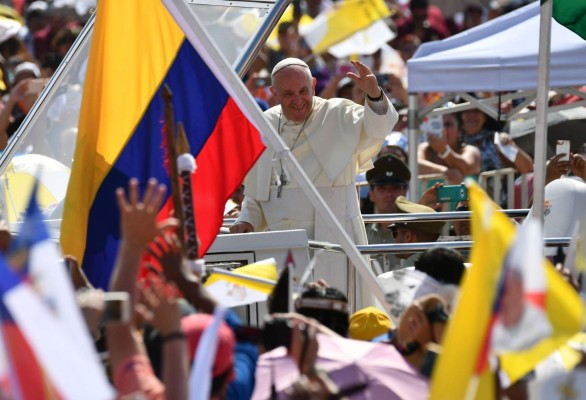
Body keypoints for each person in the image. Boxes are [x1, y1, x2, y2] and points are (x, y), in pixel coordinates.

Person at [230, 57, 398, 302]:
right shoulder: (263, 124)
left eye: (303, 91)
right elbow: (258, 191)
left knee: (341, 309)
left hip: (334, 234)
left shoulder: (338, 113)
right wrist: (247, 219)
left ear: (314, 85)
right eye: (287, 94)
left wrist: (373, 95)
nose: (298, 101)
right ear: (273, 92)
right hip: (281, 242)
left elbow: (379, 129)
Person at [365, 154, 411, 272]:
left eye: (395, 188)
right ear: (371, 194)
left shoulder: (415, 232)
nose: (389, 194)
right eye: (382, 189)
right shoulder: (362, 234)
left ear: (405, 192)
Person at [418, 112, 480, 184]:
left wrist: (444, 151)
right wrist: (445, 172)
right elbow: (414, 165)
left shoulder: (471, 150)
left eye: (448, 124)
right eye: (438, 124)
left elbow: (465, 169)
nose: (443, 129)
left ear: (460, 130)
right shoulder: (425, 148)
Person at [387, 197, 445, 270]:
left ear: (408, 236)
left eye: (395, 232)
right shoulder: (443, 270)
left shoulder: (402, 277)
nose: (394, 240)